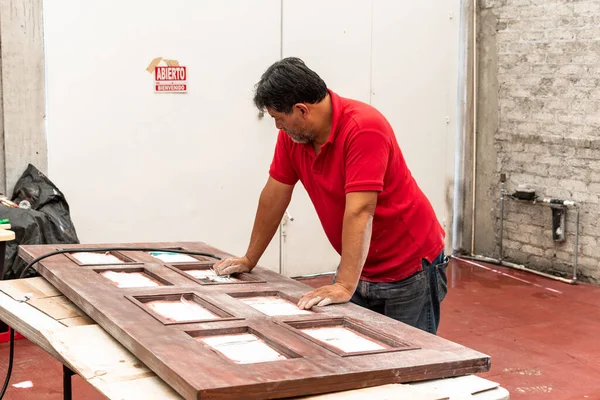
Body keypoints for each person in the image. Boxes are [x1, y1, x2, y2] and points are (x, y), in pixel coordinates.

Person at [213, 57, 448, 334]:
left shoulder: (363, 128)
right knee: (354, 352)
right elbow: (274, 196)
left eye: (279, 119)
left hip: (409, 267)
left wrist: (345, 284)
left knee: (409, 359)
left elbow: (361, 210)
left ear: (301, 110)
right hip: (362, 264)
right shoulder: (293, 138)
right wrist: (249, 259)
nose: (278, 127)